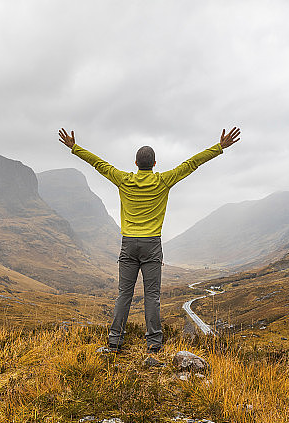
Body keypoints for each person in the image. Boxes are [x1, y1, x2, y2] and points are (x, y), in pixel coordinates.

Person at [58, 126, 241, 353]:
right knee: (152, 296)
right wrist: (219, 147)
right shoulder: (163, 180)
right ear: (155, 164)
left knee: (124, 294)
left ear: (135, 163)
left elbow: (99, 164)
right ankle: (154, 344)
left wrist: (74, 148)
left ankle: (115, 341)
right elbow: (191, 164)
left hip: (128, 244)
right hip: (152, 245)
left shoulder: (123, 179)